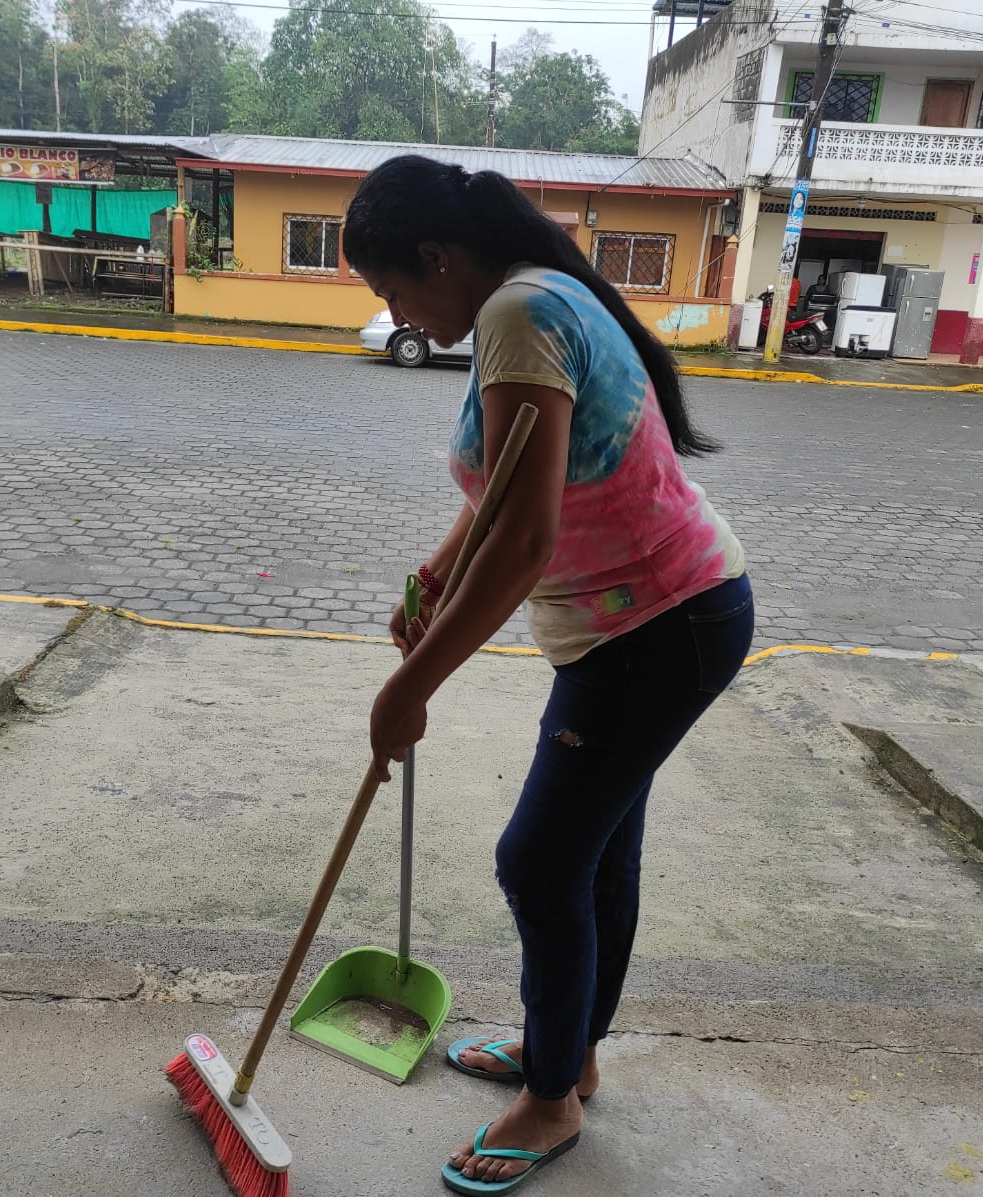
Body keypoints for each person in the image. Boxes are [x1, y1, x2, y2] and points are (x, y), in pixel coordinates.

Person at [343, 155, 754, 1194]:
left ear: (438, 257)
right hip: (646, 623)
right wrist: (438, 571)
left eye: (394, 290)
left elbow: (525, 538)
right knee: (592, 854)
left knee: (539, 860)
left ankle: (550, 1097)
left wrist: (410, 689)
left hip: (659, 625)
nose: (398, 314)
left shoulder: (519, 313)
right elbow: (510, 483)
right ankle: (566, 1054)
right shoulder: (524, 300)